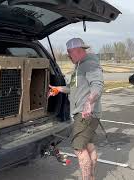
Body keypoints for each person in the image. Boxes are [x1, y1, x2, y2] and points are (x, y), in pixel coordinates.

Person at [49, 38, 104, 180]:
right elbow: (72, 88)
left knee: (79, 149)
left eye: (69, 52)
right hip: (87, 114)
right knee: (89, 146)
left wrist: (89, 103)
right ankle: (91, 178)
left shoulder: (90, 65)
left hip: (85, 114)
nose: (68, 56)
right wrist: (58, 89)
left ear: (78, 51)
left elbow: (97, 86)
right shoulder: (79, 67)